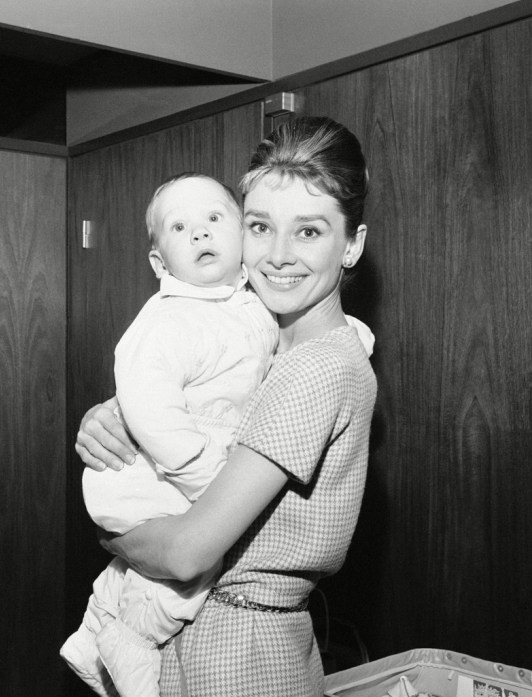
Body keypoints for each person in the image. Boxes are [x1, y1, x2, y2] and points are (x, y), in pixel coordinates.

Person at [74, 116, 378, 697]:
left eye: (309, 232)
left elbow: (189, 552)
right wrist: (112, 421)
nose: (280, 256)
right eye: (261, 226)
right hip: (209, 639)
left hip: (240, 658)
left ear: (352, 245)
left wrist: (113, 534)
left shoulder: (315, 368)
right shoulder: (260, 340)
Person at [62, 173, 279, 697]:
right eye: (180, 227)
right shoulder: (168, 320)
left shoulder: (249, 306)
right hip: (153, 473)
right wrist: (210, 480)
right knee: (185, 579)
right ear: (161, 263)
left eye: (214, 219)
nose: (201, 234)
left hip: (184, 466)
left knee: (140, 571)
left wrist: (352, 331)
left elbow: (271, 360)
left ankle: (92, 632)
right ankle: (128, 643)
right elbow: (152, 412)